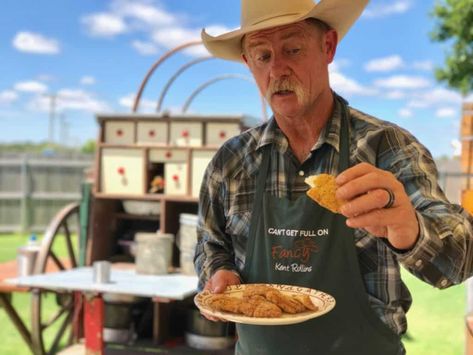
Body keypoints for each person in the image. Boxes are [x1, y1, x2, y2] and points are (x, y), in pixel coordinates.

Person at [194, 0, 473, 354]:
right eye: (262, 56)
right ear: (249, 64)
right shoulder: (231, 162)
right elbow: (210, 242)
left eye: (292, 49)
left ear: (328, 46)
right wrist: (219, 274)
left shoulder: (386, 147)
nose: (277, 68)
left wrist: (411, 229)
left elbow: (462, 259)